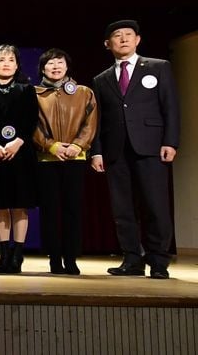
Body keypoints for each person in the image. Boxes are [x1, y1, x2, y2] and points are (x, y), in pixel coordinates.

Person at [91, 20, 180, 280]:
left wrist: (170, 141)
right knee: (123, 209)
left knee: (155, 205)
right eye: (117, 36)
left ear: (138, 40)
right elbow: (98, 120)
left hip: (151, 146)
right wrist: (97, 151)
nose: (123, 39)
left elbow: (170, 106)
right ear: (107, 44)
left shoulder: (158, 67)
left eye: (129, 35)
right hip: (116, 150)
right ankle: (132, 259)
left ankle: (158, 260)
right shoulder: (101, 79)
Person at [34, 48, 98, 275]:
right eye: (50, 63)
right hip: (46, 159)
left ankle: (71, 259)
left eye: (60, 62)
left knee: (73, 210)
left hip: (75, 158)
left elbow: (90, 123)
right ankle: (54, 259)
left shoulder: (84, 92)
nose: (56, 67)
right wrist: (51, 145)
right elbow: (32, 125)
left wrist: (77, 146)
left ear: (67, 66)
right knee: (50, 210)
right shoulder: (34, 94)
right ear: (43, 69)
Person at [0, 45, 38, 274]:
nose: (6, 64)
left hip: (21, 153)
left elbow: (31, 120)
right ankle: (4, 254)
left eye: (11, 60)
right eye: (1, 60)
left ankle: (18, 254)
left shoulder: (26, 89)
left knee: (19, 204)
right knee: (1, 204)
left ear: (17, 65)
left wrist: (18, 141)